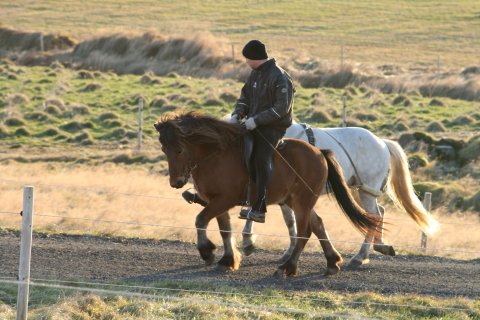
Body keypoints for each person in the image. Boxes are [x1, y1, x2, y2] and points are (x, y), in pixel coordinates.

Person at [231, 40, 295, 223]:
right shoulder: (254, 75)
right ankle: (246, 200)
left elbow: (281, 108)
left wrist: (256, 120)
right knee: (239, 152)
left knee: (261, 158)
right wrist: (238, 114)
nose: (246, 62)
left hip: (273, 128)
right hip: (252, 124)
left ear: (254, 58)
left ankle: (259, 208)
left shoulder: (280, 77)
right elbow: (245, 98)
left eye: (247, 59)